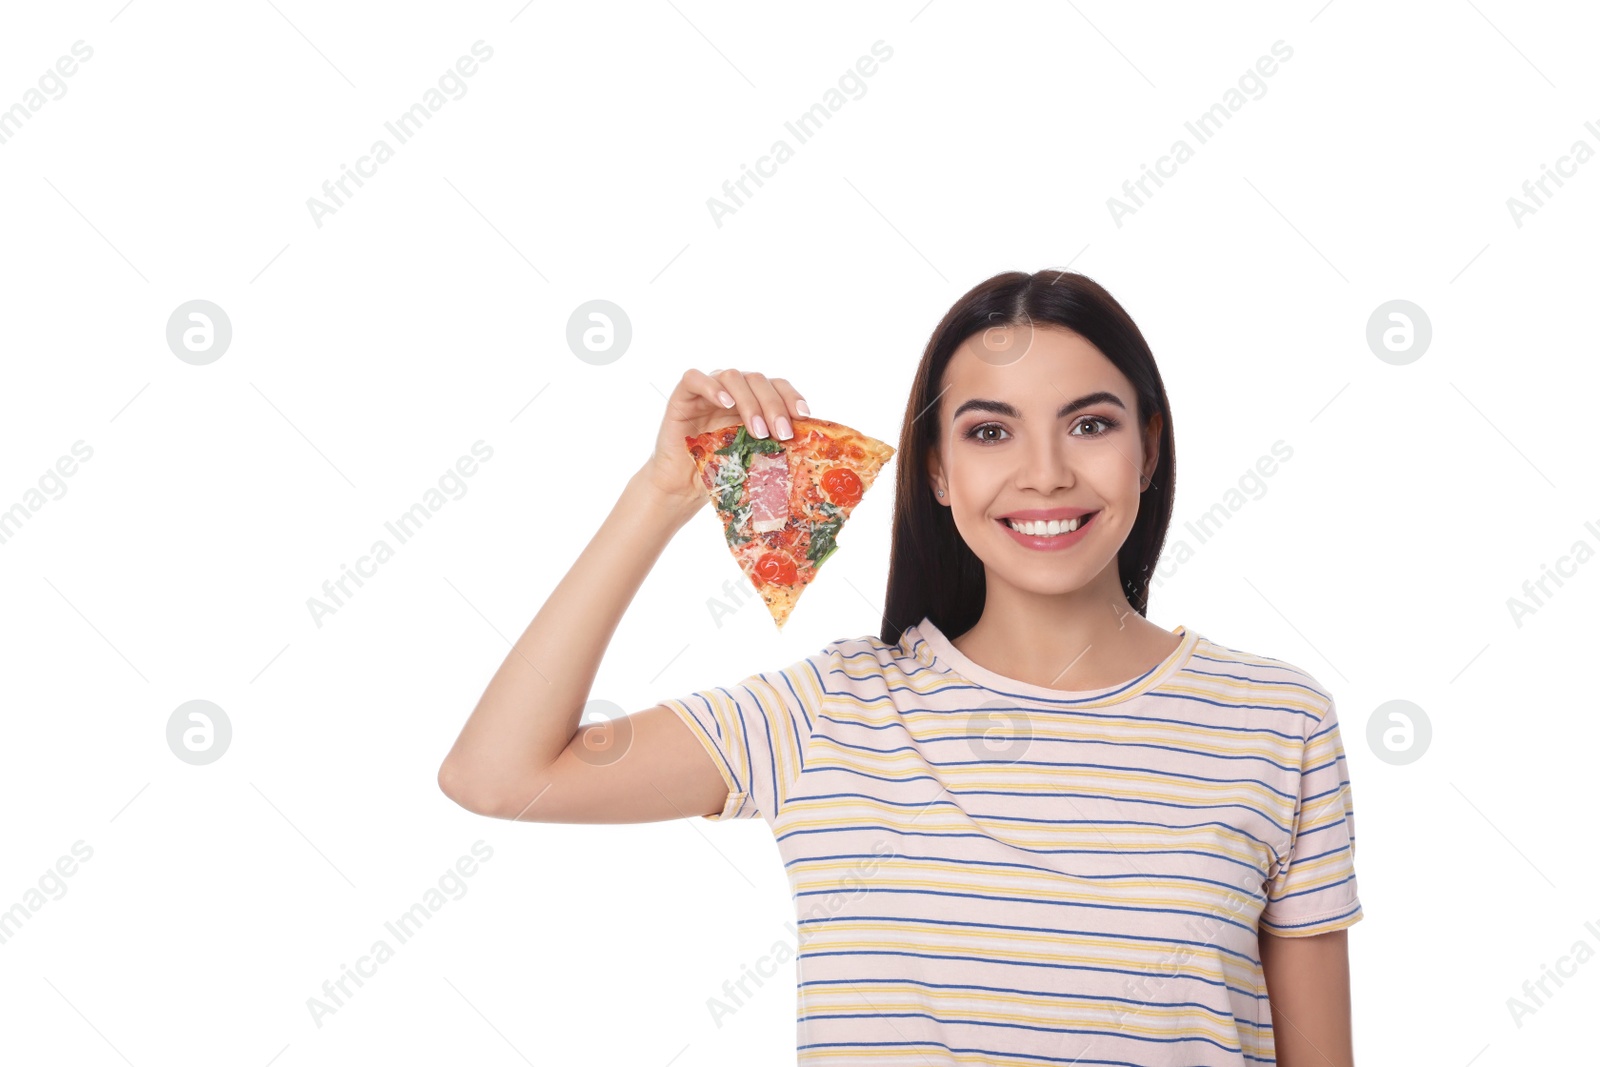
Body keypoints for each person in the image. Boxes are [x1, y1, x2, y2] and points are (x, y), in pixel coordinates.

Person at [437, 269, 1364, 1067]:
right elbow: (498, 774)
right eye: (990, 432)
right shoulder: (827, 711)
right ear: (935, 470)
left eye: (1088, 423)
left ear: (1149, 447)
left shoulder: (1277, 719)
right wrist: (660, 494)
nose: (1044, 474)